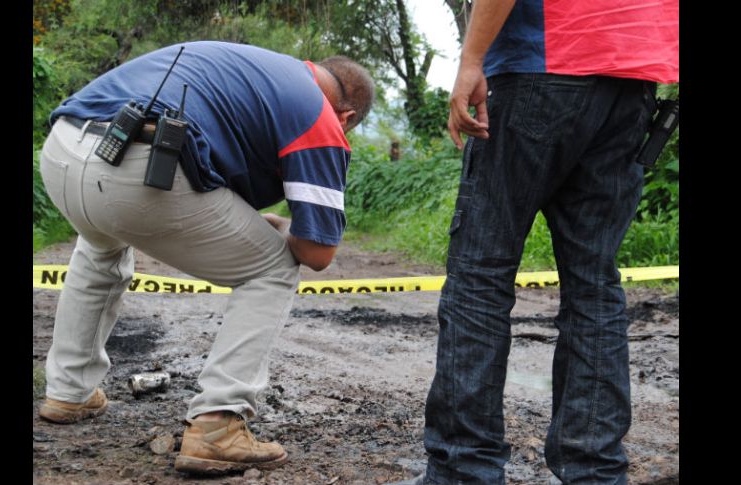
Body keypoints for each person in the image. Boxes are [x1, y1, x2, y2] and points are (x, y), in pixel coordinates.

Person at [36, 40, 374, 475]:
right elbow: (317, 252)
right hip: (140, 167)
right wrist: (287, 231)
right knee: (273, 266)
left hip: (64, 149)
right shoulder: (319, 116)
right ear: (346, 117)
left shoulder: (254, 69)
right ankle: (218, 424)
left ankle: (69, 390)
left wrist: (251, 223)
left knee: (100, 244)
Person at [393, 0, 678, 484]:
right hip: (633, 80)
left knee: (481, 275)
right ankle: (594, 470)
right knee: (594, 283)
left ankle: (464, 469)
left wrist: (471, 61)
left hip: (540, 63)